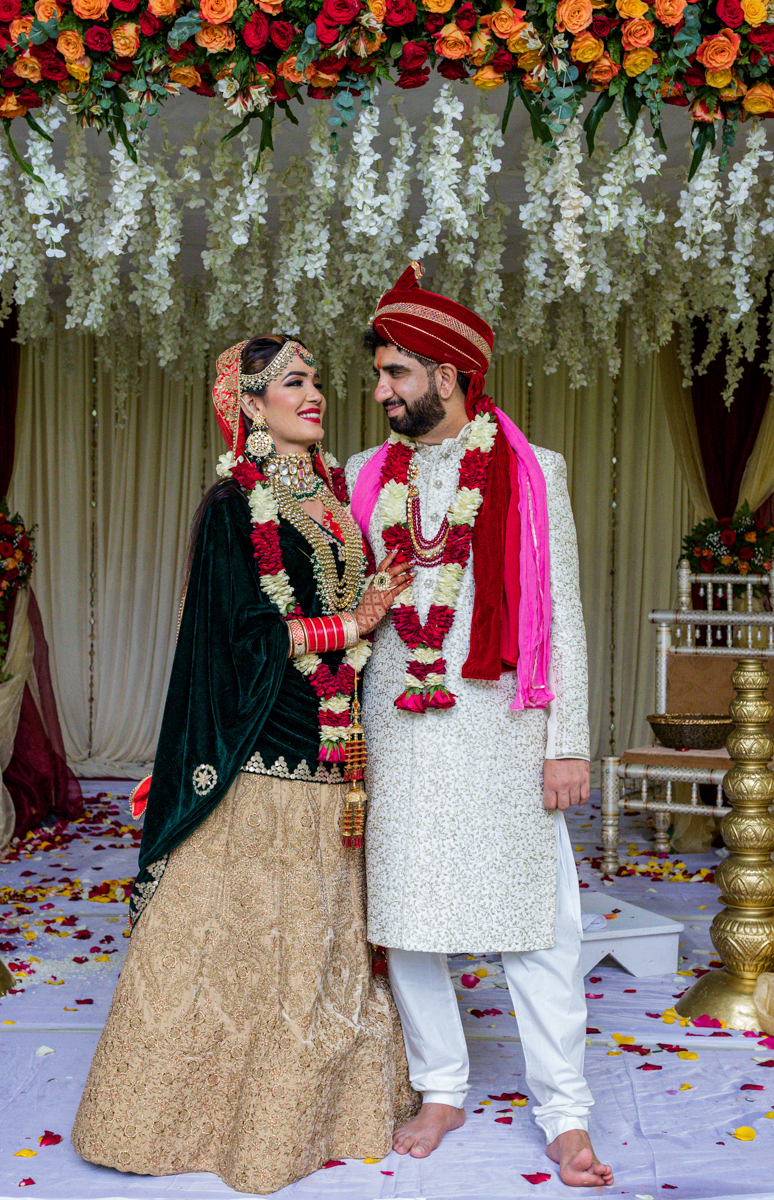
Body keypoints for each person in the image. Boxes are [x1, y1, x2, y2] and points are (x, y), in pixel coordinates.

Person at [71, 335, 418, 1195]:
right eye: (293, 383)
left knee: (319, 935)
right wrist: (359, 621)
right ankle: (181, 1115)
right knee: (243, 931)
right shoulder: (235, 505)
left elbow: (343, 610)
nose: (315, 395)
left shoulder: (335, 498)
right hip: (261, 746)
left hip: (338, 741)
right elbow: (239, 638)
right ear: (250, 404)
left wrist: (369, 621)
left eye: (316, 382)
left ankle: (314, 1112)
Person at [346, 264, 614, 1189]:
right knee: (407, 916)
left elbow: (563, 613)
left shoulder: (534, 473)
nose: (380, 392)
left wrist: (568, 741)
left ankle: (565, 1114)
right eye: (379, 375)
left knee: (537, 923)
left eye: (396, 374)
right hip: (396, 725)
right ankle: (443, 1088)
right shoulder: (361, 477)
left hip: (502, 724)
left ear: (450, 375)